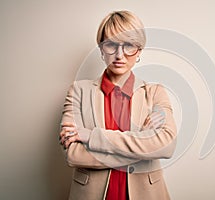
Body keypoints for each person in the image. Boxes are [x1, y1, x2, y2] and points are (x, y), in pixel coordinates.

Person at [59, 10, 177, 200]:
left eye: (129, 45)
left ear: (138, 50)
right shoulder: (78, 91)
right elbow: (73, 154)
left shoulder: (155, 92)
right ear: (101, 48)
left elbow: (167, 146)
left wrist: (91, 136)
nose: (119, 54)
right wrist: (142, 146)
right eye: (111, 44)